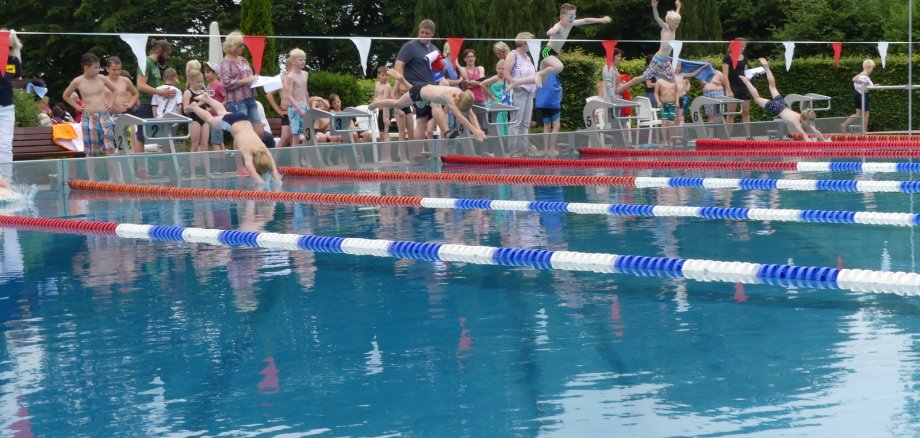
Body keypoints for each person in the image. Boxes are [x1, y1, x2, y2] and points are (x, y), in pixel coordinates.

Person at [185, 93, 282, 186]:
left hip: (243, 118)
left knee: (222, 112)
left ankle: (207, 98)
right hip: (231, 123)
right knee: (210, 121)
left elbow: (273, 166)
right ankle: (195, 107)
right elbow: (252, 171)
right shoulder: (248, 152)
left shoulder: (263, 148)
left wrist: (277, 178)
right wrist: (261, 182)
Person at [510, 3, 610, 88]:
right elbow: (554, 29)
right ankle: (540, 74)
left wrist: (601, 20)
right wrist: (551, 31)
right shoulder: (559, 25)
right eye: (571, 16)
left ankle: (517, 82)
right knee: (559, 67)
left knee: (542, 82)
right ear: (562, 16)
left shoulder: (571, 24)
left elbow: (586, 20)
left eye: (574, 16)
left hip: (553, 53)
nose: (573, 19)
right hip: (547, 51)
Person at [369, 69, 485, 142]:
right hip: (419, 93)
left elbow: (471, 114)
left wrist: (478, 129)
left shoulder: (462, 95)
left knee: (419, 102)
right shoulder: (450, 97)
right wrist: (474, 130)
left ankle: (402, 80)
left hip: (424, 91)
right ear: (457, 100)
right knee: (398, 104)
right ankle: (376, 103)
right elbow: (460, 116)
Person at [63, 53, 122, 181]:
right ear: (86, 67)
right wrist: (78, 107)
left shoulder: (101, 78)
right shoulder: (78, 81)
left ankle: (116, 178)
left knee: (110, 147)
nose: (98, 70)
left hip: (104, 115)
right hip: (88, 117)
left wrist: (110, 103)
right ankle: (91, 179)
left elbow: (115, 91)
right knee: (91, 150)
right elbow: (66, 95)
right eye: (95, 67)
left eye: (98, 67)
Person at [738, 58, 828, 142]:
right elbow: (804, 134)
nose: (808, 124)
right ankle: (746, 81)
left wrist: (824, 141)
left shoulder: (804, 118)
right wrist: (811, 143)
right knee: (757, 99)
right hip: (777, 108)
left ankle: (767, 68)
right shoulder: (796, 121)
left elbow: (815, 131)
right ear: (804, 119)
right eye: (808, 122)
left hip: (783, 104)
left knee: (772, 87)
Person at [394, 19, 450, 146]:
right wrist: (401, 82)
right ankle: (447, 131)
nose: (423, 35)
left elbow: (437, 72)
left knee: (423, 120)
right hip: (418, 87)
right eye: (421, 32)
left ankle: (433, 154)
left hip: (432, 87)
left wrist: (442, 69)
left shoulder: (435, 49)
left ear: (432, 35)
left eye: (426, 33)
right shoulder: (410, 46)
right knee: (424, 119)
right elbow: (399, 63)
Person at [618, 0, 682, 93]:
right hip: (658, 59)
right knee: (643, 78)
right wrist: (654, 7)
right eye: (675, 23)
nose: (677, 25)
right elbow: (657, 18)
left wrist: (678, 7)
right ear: (668, 21)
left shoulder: (673, 30)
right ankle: (623, 87)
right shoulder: (666, 28)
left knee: (672, 79)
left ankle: (657, 73)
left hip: (665, 60)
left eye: (678, 23)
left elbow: (676, 16)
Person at [134, 39, 176, 158]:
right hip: (146, 103)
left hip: (155, 105)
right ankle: (141, 170)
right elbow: (141, 85)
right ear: (160, 51)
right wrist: (161, 92)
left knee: (156, 137)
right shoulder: (146, 62)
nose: (168, 57)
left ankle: (156, 168)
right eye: (167, 54)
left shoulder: (155, 65)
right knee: (141, 136)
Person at [220, 31, 263, 135]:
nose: (243, 47)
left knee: (259, 131)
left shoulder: (243, 60)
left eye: (243, 45)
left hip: (250, 98)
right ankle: (239, 151)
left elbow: (250, 77)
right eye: (241, 45)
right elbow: (226, 83)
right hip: (236, 102)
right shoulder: (226, 62)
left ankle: (255, 151)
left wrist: (256, 80)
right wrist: (245, 80)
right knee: (241, 132)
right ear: (233, 46)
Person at [503, 32, 537, 156]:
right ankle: (513, 151)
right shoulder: (513, 55)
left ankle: (524, 150)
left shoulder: (527, 57)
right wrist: (516, 85)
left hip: (529, 93)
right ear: (524, 42)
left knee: (525, 123)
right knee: (515, 122)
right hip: (518, 92)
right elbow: (506, 74)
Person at [0, 29, 22, 178]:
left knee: (5, 146)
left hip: (6, 108)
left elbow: (13, 81)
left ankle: (7, 182)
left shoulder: (13, 60)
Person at [182, 69, 212, 178]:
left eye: (201, 81)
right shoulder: (188, 92)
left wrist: (208, 103)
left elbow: (207, 107)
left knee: (205, 146)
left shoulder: (202, 93)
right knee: (195, 145)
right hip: (195, 119)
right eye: (198, 82)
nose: (200, 84)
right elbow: (185, 110)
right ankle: (193, 172)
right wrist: (199, 103)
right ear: (191, 81)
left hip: (204, 119)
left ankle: (208, 172)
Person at [722, 37, 752, 139]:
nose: (743, 48)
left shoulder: (745, 58)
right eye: (741, 46)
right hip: (733, 87)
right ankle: (727, 137)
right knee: (731, 114)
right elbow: (725, 75)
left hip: (743, 87)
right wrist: (729, 90)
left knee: (746, 112)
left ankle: (748, 136)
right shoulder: (728, 58)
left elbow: (746, 73)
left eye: (744, 46)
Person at [283, 48, 309, 148]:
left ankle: (306, 160)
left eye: (304, 59)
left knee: (308, 135)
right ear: (293, 61)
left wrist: (308, 106)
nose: (303, 62)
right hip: (295, 108)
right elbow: (289, 95)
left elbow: (305, 91)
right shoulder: (290, 77)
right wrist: (298, 109)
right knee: (295, 137)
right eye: (301, 59)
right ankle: (295, 162)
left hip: (305, 106)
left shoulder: (305, 74)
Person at [840, 59, 875, 133]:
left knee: (858, 113)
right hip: (862, 95)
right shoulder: (863, 74)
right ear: (869, 67)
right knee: (866, 114)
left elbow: (865, 84)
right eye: (872, 68)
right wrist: (863, 83)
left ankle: (844, 124)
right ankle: (864, 131)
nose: (872, 70)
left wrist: (873, 85)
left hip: (858, 94)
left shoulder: (863, 75)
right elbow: (854, 79)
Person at [371, 66, 393, 160]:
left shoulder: (387, 86)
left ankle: (388, 158)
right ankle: (383, 157)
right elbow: (376, 97)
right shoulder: (376, 84)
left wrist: (385, 117)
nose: (385, 77)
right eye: (383, 75)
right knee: (381, 134)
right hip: (380, 110)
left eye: (386, 75)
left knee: (386, 134)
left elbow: (384, 102)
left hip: (386, 110)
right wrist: (373, 105)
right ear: (378, 75)